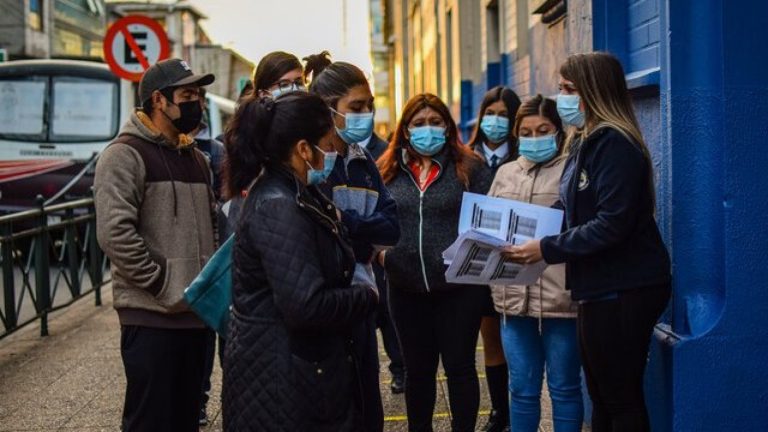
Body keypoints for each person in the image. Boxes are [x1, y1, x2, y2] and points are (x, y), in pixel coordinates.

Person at [507, 52, 672, 432]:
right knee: (600, 396)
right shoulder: (586, 142)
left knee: (620, 398)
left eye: (568, 89)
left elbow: (611, 223)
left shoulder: (615, 144)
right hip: (598, 286)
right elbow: (573, 212)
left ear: (593, 92)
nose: (560, 97)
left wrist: (546, 249)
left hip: (624, 288)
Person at [220, 92, 379, 431]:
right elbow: (306, 306)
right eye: (327, 143)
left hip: (299, 372)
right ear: (304, 149)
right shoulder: (278, 205)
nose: (333, 151)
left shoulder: (296, 192)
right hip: (285, 380)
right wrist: (365, 295)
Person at [93, 58, 216, 432]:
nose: (198, 102)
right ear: (159, 100)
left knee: (186, 420)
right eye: (188, 94)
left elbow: (211, 226)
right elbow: (115, 234)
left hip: (196, 320)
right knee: (150, 422)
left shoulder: (197, 158)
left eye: (199, 93)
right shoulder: (123, 155)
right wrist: (163, 283)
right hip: (151, 320)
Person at [377, 93, 490, 432]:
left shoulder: (471, 167)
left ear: (447, 126)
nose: (428, 129)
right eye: (419, 123)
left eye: (435, 122)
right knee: (418, 371)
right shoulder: (386, 169)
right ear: (406, 129)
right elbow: (372, 218)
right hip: (404, 288)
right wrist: (383, 255)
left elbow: (487, 222)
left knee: (461, 368)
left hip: (459, 288)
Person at [305, 51, 401, 431]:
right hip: (325, 305)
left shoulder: (363, 161)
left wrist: (349, 224)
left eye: (369, 106)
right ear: (330, 109)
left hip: (361, 301)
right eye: (356, 106)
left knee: (366, 407)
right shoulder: (310, 163)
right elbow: (320, 233)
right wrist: (358, 236)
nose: (365, 114)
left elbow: (391, 227)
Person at [489, 94, 583, 432]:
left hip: (562, 300)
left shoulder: (573, 170)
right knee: (522, 390)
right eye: (526, 132)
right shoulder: (505, 173)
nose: (534, 138)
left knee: (565, 387)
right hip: (513, 299)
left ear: (558, 131)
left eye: (542, 130)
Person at [466, 85, 522, 432]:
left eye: (504, 115)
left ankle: (521, 405)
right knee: (491, 341)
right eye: (490, 113)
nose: (496, 121)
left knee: (518, 339)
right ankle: (499, 411)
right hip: (479, 262)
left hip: (517, 260)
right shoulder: (466, 158)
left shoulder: (522, 156)